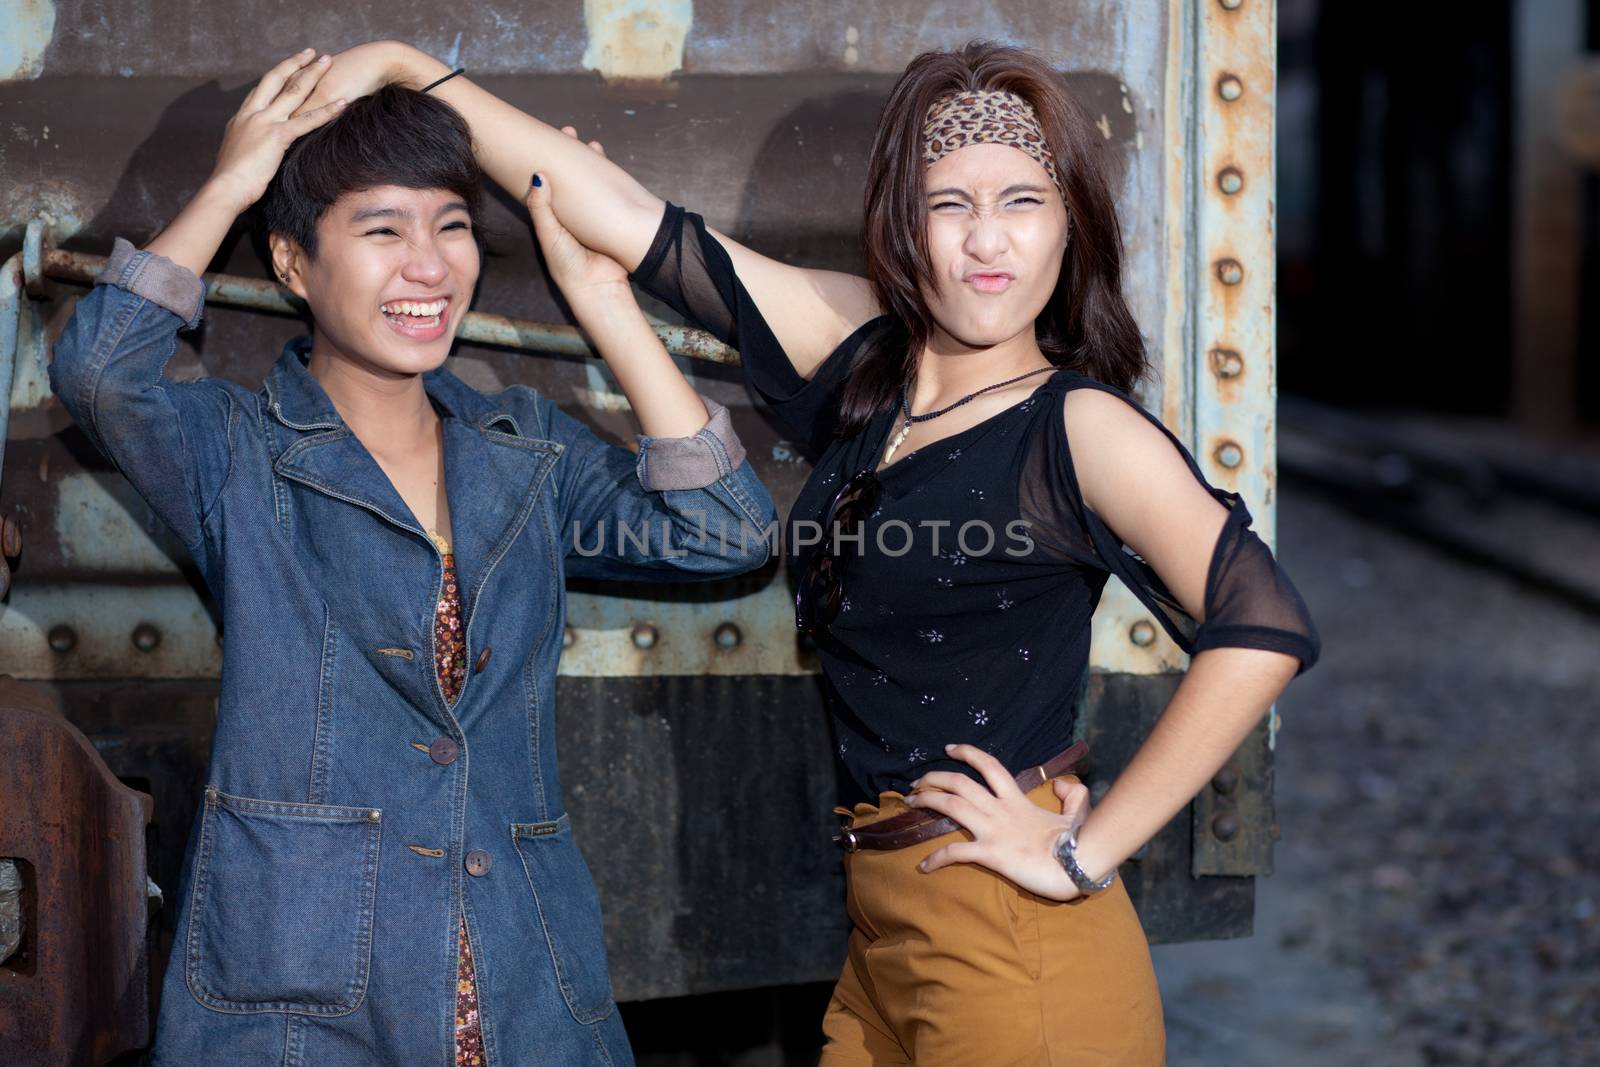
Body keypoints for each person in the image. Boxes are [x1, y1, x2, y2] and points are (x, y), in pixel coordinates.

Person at [309, 37, 1321, 1065]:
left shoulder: (1078, 425)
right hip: (882, 932)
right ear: (904, 224)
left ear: (1069, 229)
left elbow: (1263, 624)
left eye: (1023, 201)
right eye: (950, 204)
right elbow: (615, 210)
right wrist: (406, 68)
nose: (987, 242)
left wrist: (1082, 849)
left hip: (1015, 944)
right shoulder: (864, 356)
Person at [49, 50, 774, 1067]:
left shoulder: (522, 450)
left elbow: (724, 529)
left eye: (451, 225)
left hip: (524, 982)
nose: (427, 266)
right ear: (294, 263)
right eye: (381, 230)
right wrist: (230, 184)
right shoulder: (237, 454)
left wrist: (602, 300)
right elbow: (99, 373)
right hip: (305, 995)